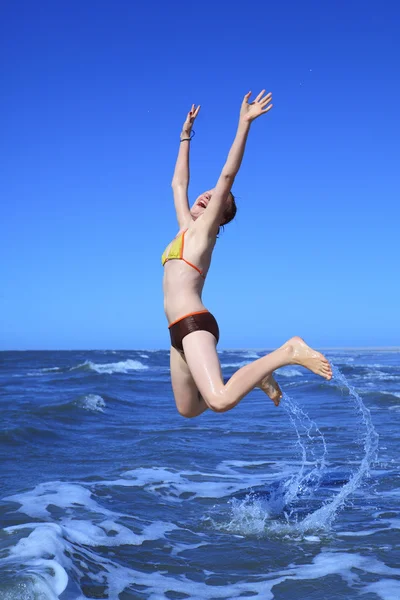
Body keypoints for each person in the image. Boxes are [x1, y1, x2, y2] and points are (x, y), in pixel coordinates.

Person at [162, 90, 332, 418]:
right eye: (207, 195)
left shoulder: (203, 232)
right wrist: (185, 136)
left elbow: (227, 174)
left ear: (218, 218)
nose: (207, 197)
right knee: (188, 409)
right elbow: (177, 184)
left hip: (194, 323)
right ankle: (258, 378)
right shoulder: (184, 227)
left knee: (221, 400)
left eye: (215, 202)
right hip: (175, 332)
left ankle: (288, 350)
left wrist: (244, 124)